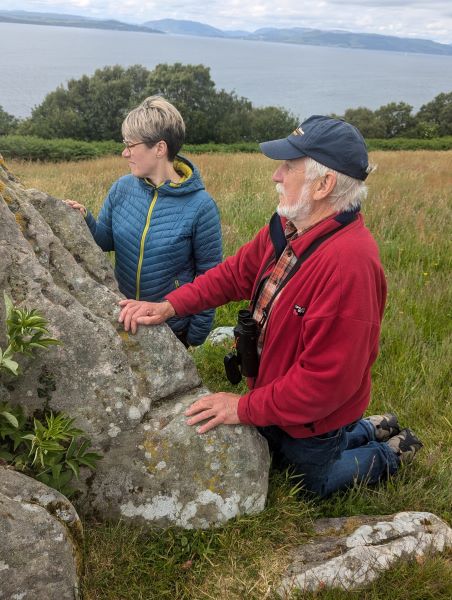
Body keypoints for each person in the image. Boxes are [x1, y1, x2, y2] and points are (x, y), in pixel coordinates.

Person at [118, 115, 423, 498]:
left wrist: (241, 408)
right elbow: (234, 275)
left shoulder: (349, 268)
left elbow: (322, 384)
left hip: (313, 419)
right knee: (281, 456)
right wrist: (169, 306)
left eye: (288, 167)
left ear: (324, 185)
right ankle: (367, 427)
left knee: (310, 483)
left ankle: (389, 452)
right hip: (278, 398)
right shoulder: (290, 227)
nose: (276, 176)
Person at [66, 95, 222, 347]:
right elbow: (105, 240)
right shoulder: (122, 188)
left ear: (160, 148)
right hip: (123, 316)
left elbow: (210, 277)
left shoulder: (201, 207)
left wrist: (194, 336)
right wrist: (84, 218)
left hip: (170, 328)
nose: (124, 152)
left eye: (131, 145)